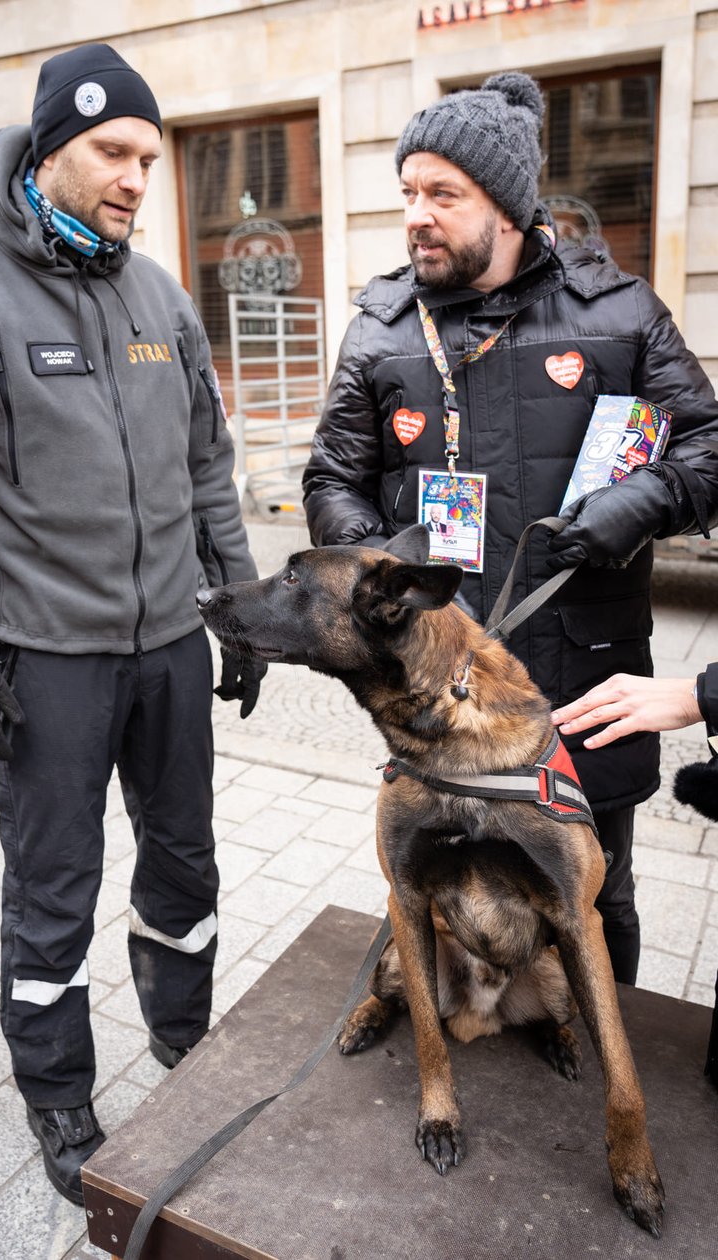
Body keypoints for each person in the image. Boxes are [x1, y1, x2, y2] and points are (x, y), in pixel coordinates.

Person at [0, 43, 265, 1205]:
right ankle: (56, 1091)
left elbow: (207, 465)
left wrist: (241, 609)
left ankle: (183, 1037)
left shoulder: (159, 296)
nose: (138, 177)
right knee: (54, 885)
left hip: (168, 648)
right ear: (49, 151)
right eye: (114, 152)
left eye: (149, 156)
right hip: (46, 659)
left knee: (185, 861)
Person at [302, 72, 718, 989]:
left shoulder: (621, 314)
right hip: (437, 695)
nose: (417, 216)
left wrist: (637, 505)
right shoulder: (381, 329)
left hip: (581, 683)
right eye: (408, 192)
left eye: (443, 195)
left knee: (594, 902)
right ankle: (461, 1024)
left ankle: (602, 1054)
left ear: (509, 206)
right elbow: (332, 477)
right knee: (440, 893)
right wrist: (383, 575)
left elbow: (708, 444)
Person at [552, 670, 718, 1089]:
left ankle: (615, 1022)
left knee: (609, 895)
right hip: (507, 724)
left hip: (594, 723)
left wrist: (703, 693)